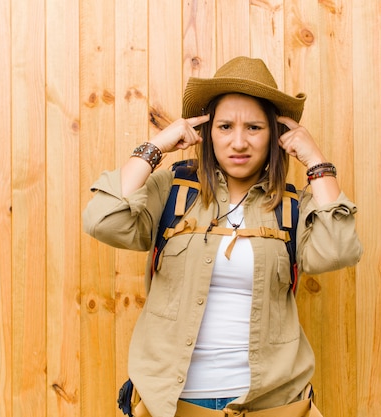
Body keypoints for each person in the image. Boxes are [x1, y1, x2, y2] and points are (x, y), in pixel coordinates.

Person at [82, 56, 363, 417]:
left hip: (271, 405)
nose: (239, 142)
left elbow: (337, 251)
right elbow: (102, 219)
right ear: (208, 131)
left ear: (276, 136)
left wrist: (316, 162)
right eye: (225, 126)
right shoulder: (173, 191)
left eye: (255, 128)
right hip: (174, 404)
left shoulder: (293, 207)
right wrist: (156, 147)